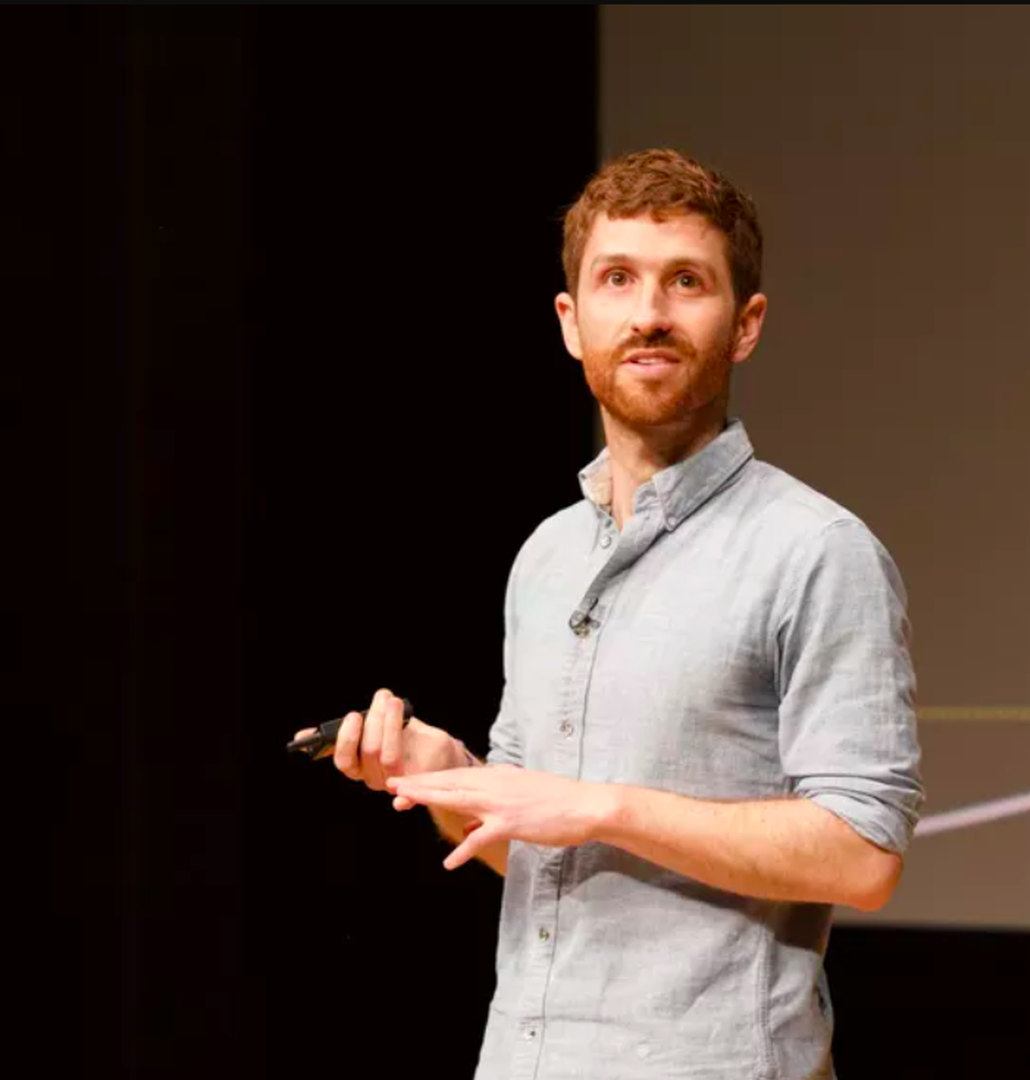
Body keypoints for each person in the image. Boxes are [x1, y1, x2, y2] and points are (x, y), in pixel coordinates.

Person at [293, 148, 924, 1079]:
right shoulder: (547, 556)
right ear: (569, 321)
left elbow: (863, 854)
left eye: (686, 283)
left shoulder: (815, 552)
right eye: (617, 280)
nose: (649, 315)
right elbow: (536, 852)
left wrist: (602, 807)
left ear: (745, 324)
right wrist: (450, 776)